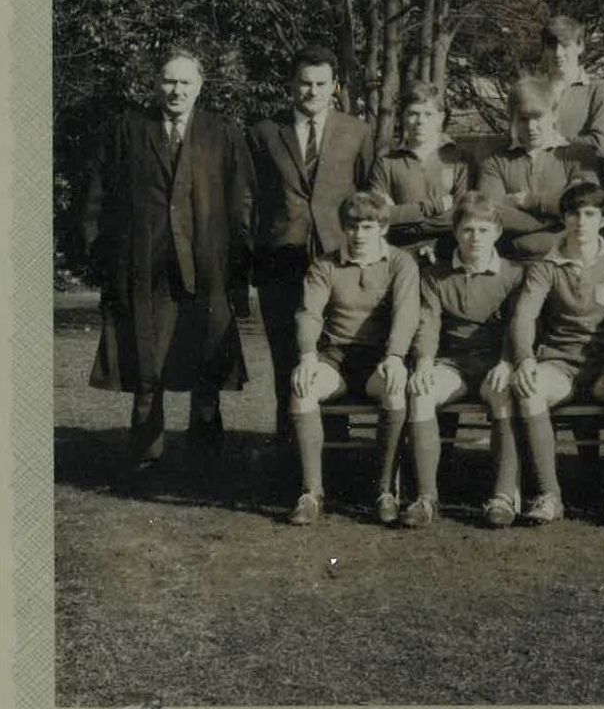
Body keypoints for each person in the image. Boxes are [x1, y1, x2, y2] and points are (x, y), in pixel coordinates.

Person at [83, 46, 254, 473]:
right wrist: (101, 255)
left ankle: (206, 455)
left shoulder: (222, 133)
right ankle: (146, 454)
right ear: (156, 84)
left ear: (200, 86)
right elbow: (96, 197)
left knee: (207, 358)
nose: (177, 90)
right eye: (169, 81)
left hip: (207, 266)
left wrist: (239, 259)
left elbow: (243, 201)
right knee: (147, 360)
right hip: (144, 266)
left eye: (185, 82)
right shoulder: (126, 129)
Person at [509, 183, 604, 526]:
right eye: (574, 213)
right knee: (530, 389)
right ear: (564, 218)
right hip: (559, 363)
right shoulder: (545, 265)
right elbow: (524, 315)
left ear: (603, 220)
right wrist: (525, 359)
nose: (581, 221)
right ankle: (549, 495)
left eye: (590, 214)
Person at [249, 44, 374, 442]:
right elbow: (250, 197)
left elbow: (367, 193)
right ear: (291, 84)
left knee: (333, 354)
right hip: (280, 261)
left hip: (338, 261)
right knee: (287, 357)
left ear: (335, 86)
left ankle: (334, 448)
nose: (312, 92)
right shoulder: (264, 133)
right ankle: (289, 450)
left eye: (321, 84)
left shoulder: (357, 131)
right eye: (305, 83)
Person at [287, 191, 419, 526]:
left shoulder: (401, 263)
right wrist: (307, 356)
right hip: (336, 358)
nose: (359, 234)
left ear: (383, 228)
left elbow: (406, 314)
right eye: (352, 226)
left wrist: (395, 356)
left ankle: (385, 490)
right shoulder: (325, 264)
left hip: (379, 358)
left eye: (368, 227)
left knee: (394, 389)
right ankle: (311, 493)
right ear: (343, 228)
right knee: (303, 389)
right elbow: (309, 313)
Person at [405, 193, 525, 528]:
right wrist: (424, 362)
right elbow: (428, 324)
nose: (475, 238)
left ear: (497, 232)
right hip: (453, 363)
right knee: (421, 392)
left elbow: (518, 325)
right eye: (468, 230)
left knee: (505, 393)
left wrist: (507, 362)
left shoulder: (513, 274)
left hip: (494, 363)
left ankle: (503, 496)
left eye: (484, 230)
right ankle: (426, 498)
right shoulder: (436, 276)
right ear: (456, 232)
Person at [475, 79, 598, 260]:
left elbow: (584, 204)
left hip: (566, 260)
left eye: (538, 117)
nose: (531, 127)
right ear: (513, 119)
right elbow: (489, 213)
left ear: (554, 115)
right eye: (523, 119)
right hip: (512, 260)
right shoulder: (496, 161)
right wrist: (552, 220)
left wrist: (528, 201)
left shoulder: (578, 156)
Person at [368, 82, 471, 259]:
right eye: (413, 114)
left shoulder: (460, 160)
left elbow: (463, 217)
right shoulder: (386, 162)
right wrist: (436, 207)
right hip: (400, 254)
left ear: (440, 118)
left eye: (428, 114)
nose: (420, 121)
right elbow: (380, 217)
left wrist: (403, 215)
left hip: (449, 252)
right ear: (402, 117)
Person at [539, 14, 604, 157]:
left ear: (580, 46)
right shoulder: (533, 88)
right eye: (551, 46)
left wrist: (554, 141)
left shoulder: (598, 89)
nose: (558, 53)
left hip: (580, 169)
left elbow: (600, 145)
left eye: (565, 45)